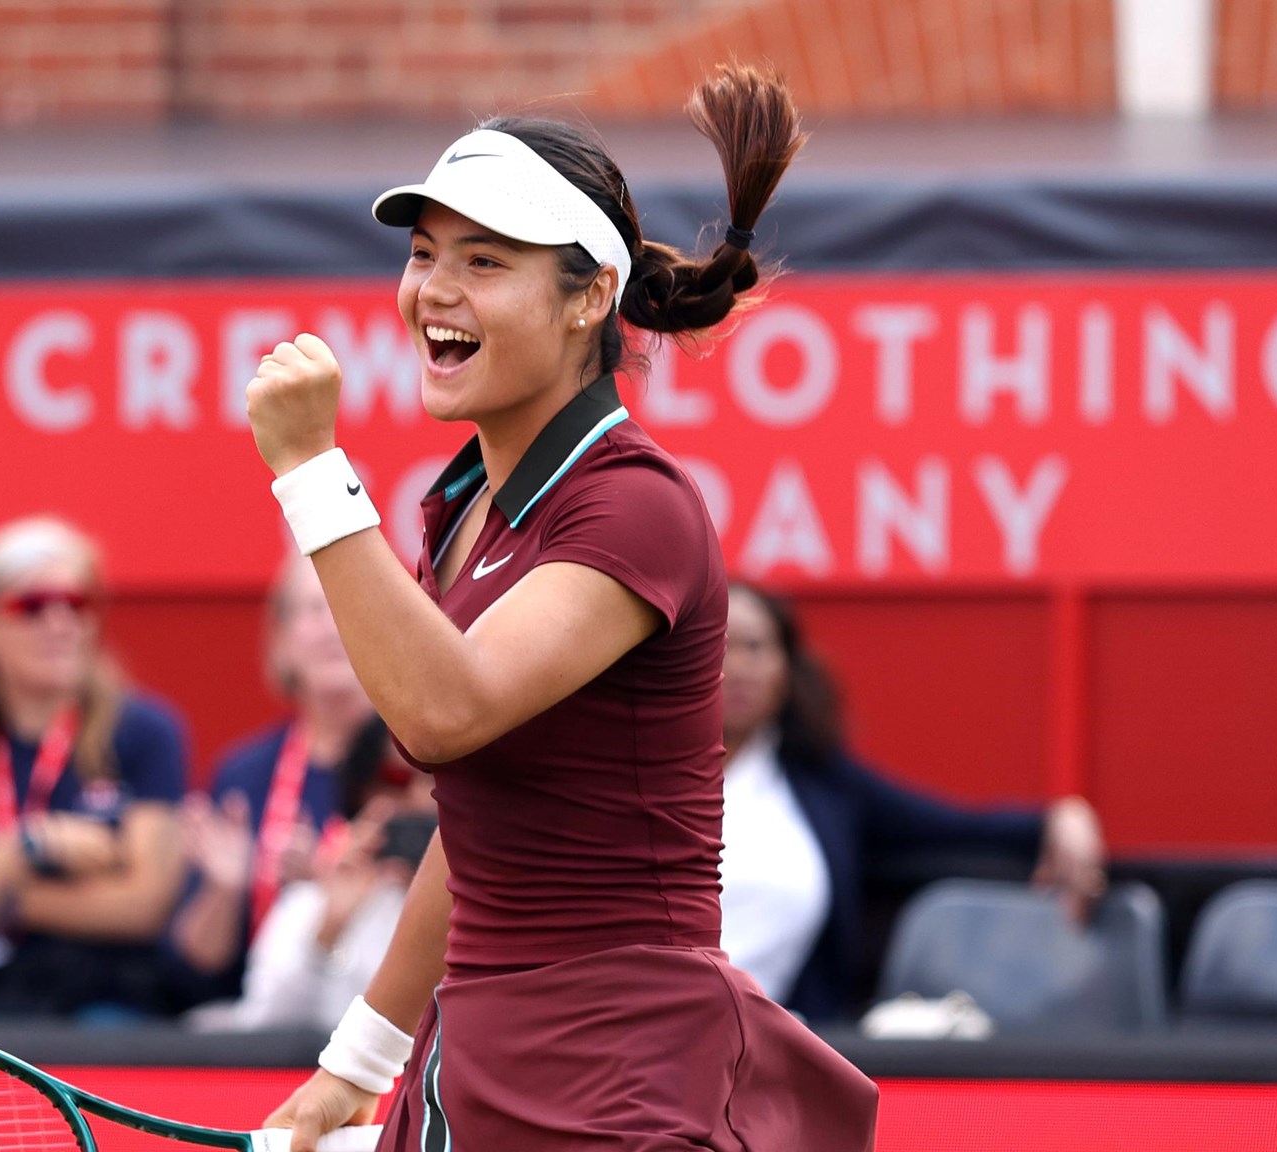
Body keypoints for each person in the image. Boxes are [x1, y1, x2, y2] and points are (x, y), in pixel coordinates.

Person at [243, 66, 877, 1152]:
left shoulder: (635, 505)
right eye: (423, 254)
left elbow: (442, 715)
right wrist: (354, 1065)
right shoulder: (469, 505)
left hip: (624, 1080)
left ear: (587, 299)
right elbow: (476, 818)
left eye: (483, 261)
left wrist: (310, 471)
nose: (434, 289)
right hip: (482, 1067)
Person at [719, 582, 1107, 1023]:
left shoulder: (823, 783)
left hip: (769, 1051)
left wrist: (1058, 818)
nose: (741, 665)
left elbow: (956, 827)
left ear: (786, 667)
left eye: (756, 646)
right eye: (720, 644)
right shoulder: (633, 775)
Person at [0, 515, 189, 1019]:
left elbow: (145, 906)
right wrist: (32, 845)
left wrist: (2, 899)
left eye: (75, 604)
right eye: (31, 606)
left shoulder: (146, 732)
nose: (60, 622)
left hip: (110, 1000)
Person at [164, 555, 376, 1008]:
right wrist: (227, 889)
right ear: (281, 643)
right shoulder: (245, 774)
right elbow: (194, 972)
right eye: (313, 610)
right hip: (268, 1030)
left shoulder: (425, 763)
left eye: (346, 602)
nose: (330, 626)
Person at [188, 719, 436, 1032]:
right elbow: (270, 1025)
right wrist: (330, 928)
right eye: (395, 778)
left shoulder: (492, 893)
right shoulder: (311, 899)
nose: (418, 796)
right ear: (362, 790)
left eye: (434, 776)